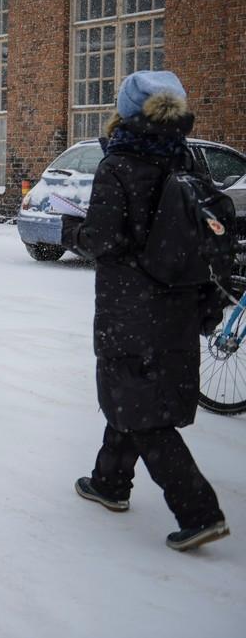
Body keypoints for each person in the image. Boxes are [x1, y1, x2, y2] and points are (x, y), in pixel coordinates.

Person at [61, 70, 229, 552]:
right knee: (135, 392)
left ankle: (198, 510)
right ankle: (109, 481)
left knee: (138, 401)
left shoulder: (121, 162)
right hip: (178, 301)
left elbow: (106, 239)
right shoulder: (187, 158)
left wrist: (71, 233)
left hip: (131, 302)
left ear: (127, 112)